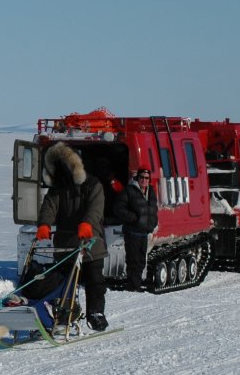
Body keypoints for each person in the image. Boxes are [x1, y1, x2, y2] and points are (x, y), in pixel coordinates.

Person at [34, 142, 109, 331]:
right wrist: (44, 224)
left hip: (91, 243)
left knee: (94, 281)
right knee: (62, 282)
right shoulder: (58, 188)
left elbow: (96, 207)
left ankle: (95, 313)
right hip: (65, 244)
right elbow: (49, 206)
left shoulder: (93, 184)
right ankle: (62, 313)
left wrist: (87, 223)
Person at [113, 168, 159, 290]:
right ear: (137, 179)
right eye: (141, 177)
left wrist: (154, 222)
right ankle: (133, 285)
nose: (144, 180)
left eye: (146, 178)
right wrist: (134, 218)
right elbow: (118, 208)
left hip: (144, 232)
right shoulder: (129, 191)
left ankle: (136, 283)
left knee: (141, 261)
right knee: (133, 260)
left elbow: (154, 209)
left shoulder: (151, 191)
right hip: (132, 232)